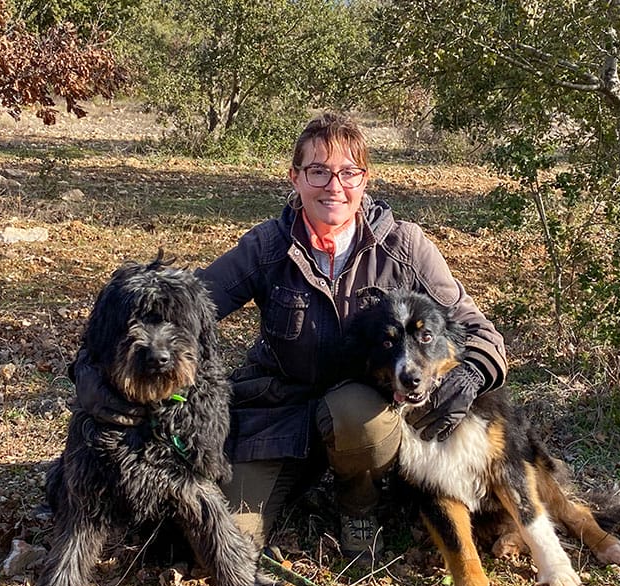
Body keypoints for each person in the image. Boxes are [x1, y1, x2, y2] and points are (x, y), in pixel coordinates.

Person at [75, 112, 507, 562]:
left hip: (365, 415)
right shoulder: (267, 246)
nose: (333, 186)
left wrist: (473, 372)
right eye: (318, 171)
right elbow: (184, 309)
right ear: (295, 178)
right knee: (220, 546)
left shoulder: (404, 246)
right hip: (279, 416)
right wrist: (91, 375)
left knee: (358, 413)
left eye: (348, 172)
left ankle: (357, 503)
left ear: (364, 180)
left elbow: (477, 329)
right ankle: (294, 481)